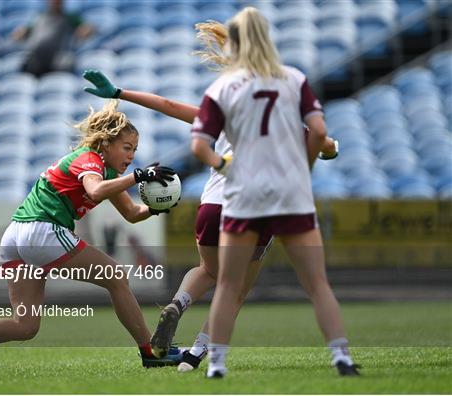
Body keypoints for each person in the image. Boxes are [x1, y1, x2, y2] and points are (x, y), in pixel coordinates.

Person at [81, 20, 346, 375]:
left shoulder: (224, 105)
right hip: (256, 208)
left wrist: (118, 92)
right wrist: (330, 149)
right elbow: (323, 143)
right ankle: (196, 356)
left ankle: (178, 303)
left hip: (212, 205)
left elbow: (169, 105)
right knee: (234, 289)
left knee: (207, 269)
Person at [0, 100, 183, 374]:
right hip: (42, 231)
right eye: (127, 148)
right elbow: (96, 191)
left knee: (25, 326)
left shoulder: (107, 173)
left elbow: (132, 213)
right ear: (105, 144)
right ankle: (150, 351)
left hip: (17, 235)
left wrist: (157, 207)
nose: (131, 156)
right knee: (116, 276)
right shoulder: (89, 160)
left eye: (135, 150)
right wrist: (139, 176)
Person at [189, 7, 359, 378]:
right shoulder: (293, 79)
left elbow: (199, 147)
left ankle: (215, 364)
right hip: (289, 192)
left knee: (229, 285)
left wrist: (223, 167)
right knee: (316, 283)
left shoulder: (223, 87)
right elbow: (318, 132)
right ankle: (341, 357)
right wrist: (307, 166)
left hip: (244, 192)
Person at [12, 0, 94, 78]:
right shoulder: (40, 17)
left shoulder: (70, 17)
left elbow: (86, 28)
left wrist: (84, 30)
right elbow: (24, 32)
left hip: (57, 58)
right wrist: (20, 33)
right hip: (36, 57)